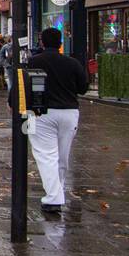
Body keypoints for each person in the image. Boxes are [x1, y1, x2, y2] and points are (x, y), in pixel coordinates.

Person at [24, 27, 89, 214]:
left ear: (42, 43)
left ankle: (53, 198)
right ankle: (57, 191)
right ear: (60, 42)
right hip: (69, 112)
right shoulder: (72, 63)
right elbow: (83, 88)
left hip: (41, 113)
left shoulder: (35, 61)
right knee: (62, 156)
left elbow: (25, 85)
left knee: (46, 155)